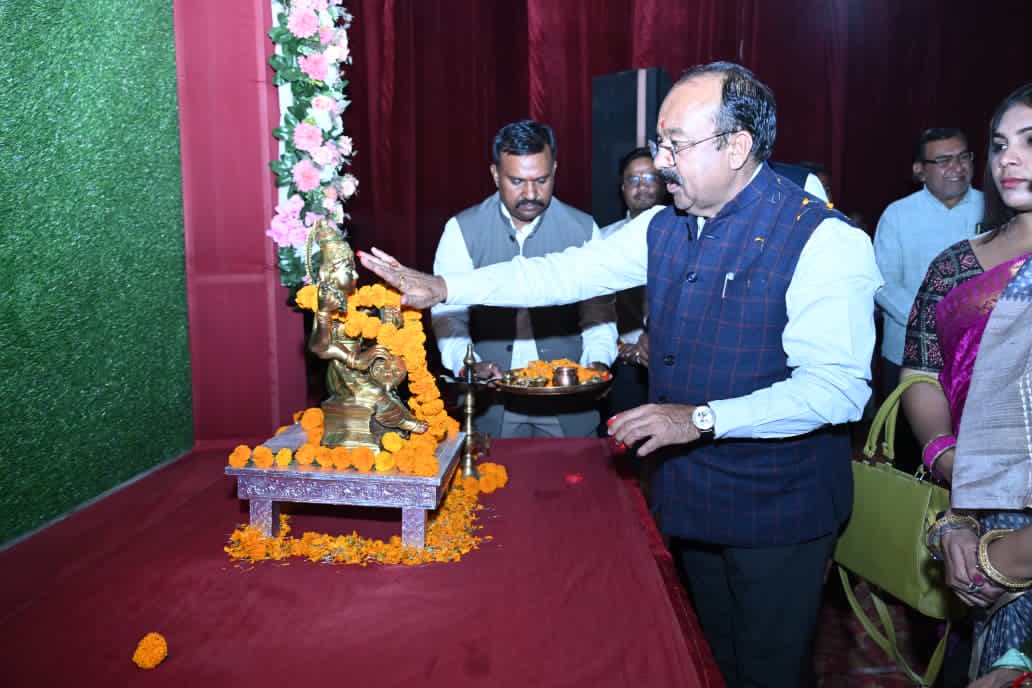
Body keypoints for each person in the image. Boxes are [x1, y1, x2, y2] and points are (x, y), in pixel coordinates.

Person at [360, 61, 881, 687]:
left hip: (778, 506)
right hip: (691, 493)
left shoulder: (823, 240)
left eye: (675, 145)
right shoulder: (663, 225)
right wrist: (445, 287)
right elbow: (563, 274)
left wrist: (702, 418)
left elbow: (837, 391)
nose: (660, 162)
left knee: (770, 670)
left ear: (737, 146)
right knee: (708, 655)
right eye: (660, 143)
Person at [901, 84, 1032, 684]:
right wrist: (945, 459)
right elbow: (922, 369)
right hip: (973, 501)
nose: (1009, 159)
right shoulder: (955, 265)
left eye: (1029, 142)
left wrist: (1002, 558)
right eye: (1000, 144)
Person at [430, 120, 617, 439]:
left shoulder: (584, 229)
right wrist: (468, 363)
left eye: (541, 180)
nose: (531, 193)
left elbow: (598, 313)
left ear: (554, 170)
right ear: (495, 174)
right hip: (492, 403)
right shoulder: (461, 229)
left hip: (567, 403)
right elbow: (448, 314)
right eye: (517, 181)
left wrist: (597, 362)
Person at [874, 127, 984, 471]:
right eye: (944, 160)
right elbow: (882, 284)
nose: (957, 167)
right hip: (908, 355)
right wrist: (938, 321)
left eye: (963, 157)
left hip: (982, 357)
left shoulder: (995, 210)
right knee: (912, 457)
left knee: (975, 455)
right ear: (919, 170)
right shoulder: (897, 215)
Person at [600, 147, 667, 415]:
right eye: (633, 179)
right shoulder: (604, 240)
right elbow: (592, 309)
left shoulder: (687, 233)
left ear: (664, 183)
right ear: (623, 188)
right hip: (623, 367)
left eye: (650, 178)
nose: (642, 186)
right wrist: (620, 349)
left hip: (673, 368)